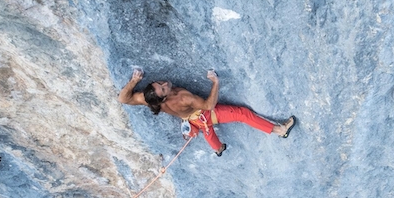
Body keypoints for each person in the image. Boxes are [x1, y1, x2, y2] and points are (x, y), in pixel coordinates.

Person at [118, 68, 295, 156]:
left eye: (160, 83)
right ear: (163, 98)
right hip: (205, 115)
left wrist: (134, 81)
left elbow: (123, 99)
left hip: (192, 120)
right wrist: (215, 82)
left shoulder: (151, 100)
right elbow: (209, 106)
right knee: (242, 114)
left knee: (207, 131)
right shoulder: (183, 97)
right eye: (163, 89)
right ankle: (280, 131)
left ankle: (218, 149)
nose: (165, 84)